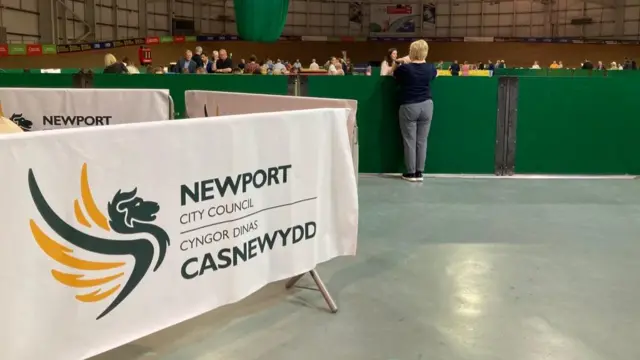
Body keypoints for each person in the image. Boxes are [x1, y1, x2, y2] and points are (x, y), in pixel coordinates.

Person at [393, 39, 437, 182]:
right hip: (427, 105)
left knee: (409, 140)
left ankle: (410, 173)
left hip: (409, 105)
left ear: (411, 52)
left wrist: (400, 61)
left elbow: (393, 73)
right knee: (422, 140)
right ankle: (419, 172)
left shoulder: (405, 69)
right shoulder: (431, 68)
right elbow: (434, 76)